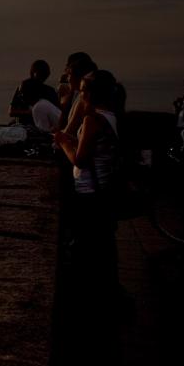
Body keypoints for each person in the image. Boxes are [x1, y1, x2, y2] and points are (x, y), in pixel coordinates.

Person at [54, 69, 121, 291]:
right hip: (104, 189)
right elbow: (97, 150)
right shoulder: (111, 117)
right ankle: (107, 288)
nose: (80, 96)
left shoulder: (92, 120)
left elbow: (80, 160)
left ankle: (87, 292)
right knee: (103, 245)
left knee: (84, 245)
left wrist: (63, 141)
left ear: (91, 94)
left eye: (82, 91)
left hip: (88, 192)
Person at [9, 60, 59, 126]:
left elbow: (55, 113)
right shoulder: (22, 87)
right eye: (40, 73)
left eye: (44, 74)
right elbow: (11, 112)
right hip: (22, 124)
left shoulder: (50, 91)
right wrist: (30, 112)